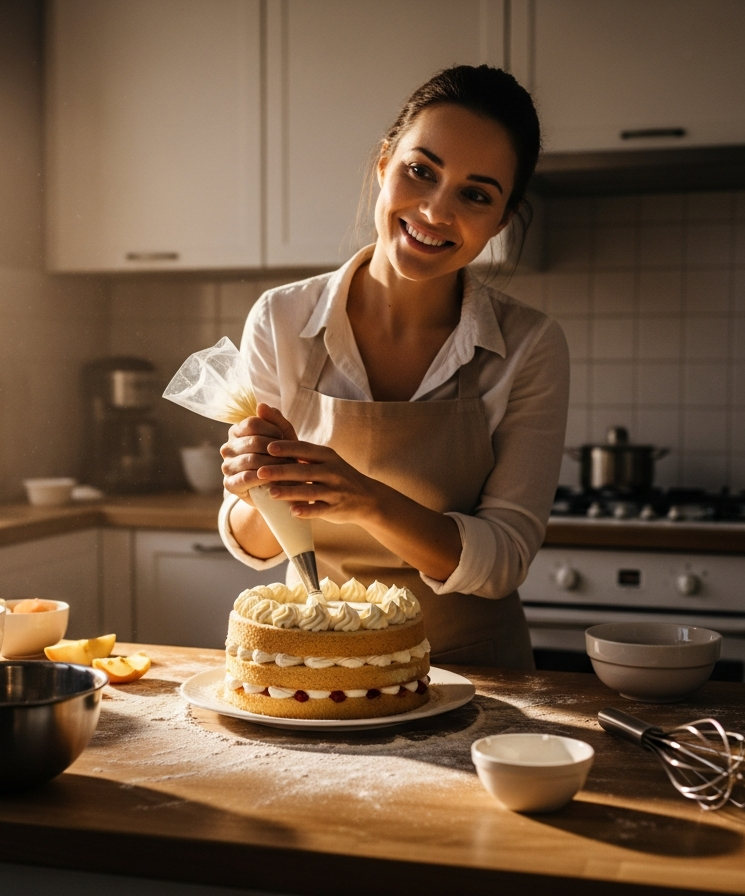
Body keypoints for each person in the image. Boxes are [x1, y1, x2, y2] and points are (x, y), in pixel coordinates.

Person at [219, 65, 568, 669]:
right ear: (384, 163)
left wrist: (366, 499)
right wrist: (254, 485)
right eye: (420, 171)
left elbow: (504, 560)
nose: (435, 210)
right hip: (315, 668)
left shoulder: (530, 345)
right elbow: (252, 542)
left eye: (476, 194)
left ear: (502, 221)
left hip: (478, 677)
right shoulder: (282, 319)